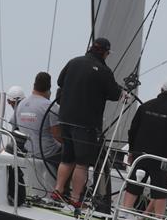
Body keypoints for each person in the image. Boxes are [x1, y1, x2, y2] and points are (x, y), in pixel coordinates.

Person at [52, 37, 121, 208]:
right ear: (105, 53)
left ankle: (58, 191)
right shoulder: (104, 71)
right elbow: (114, 94)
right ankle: (76, 199)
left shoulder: (73, 62)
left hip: (65, 119)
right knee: (82, 163)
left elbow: (60, 81)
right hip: (86, 124)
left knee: (67, 158)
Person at [122, 79, 167, 220]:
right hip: (162, 158)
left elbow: (133, 131)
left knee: (134, 183)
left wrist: (132, 151)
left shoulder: (145, 106)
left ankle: (123, 213)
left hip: (140, 154)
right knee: (160, 189)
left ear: (161, 89)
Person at [15, 72, 63, 170]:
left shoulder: (21, 104)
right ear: (49, 88)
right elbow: (57, 135)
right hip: (47, 154)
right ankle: (63, 184)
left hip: (27, 151)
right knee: (73, 155)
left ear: (34, 85)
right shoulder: (51, 106)